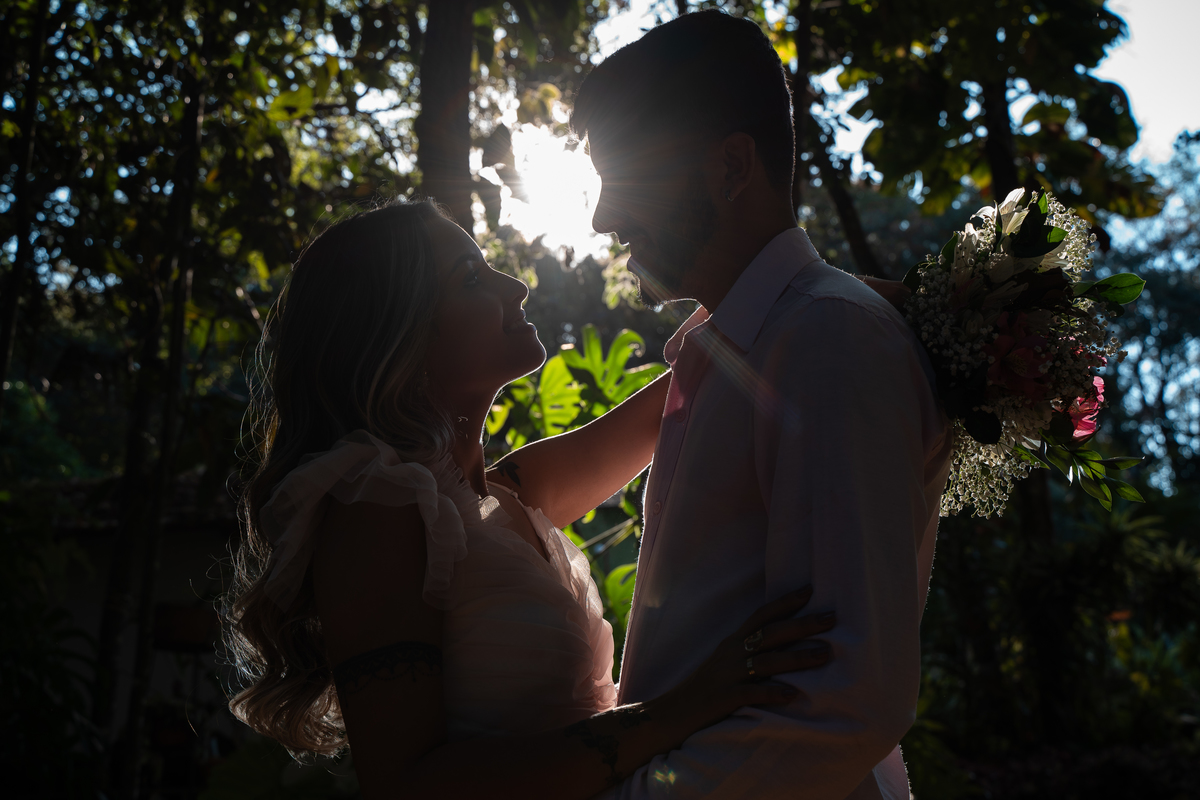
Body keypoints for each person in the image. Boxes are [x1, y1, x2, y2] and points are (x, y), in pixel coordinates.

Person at [222, 198, 840, 799]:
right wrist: (681, 709)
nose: (513, 288)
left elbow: (702, 376)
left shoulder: (509, 494)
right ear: (396, 327)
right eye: (471, 277)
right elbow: (407, 784)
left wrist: (895, 303)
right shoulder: (375, 506)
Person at [567, 10, 953, 799]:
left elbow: (840, 696)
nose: (603, 217)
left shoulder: (825, 340)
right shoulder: (742, 346)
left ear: (731, 169)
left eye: (626, 179)